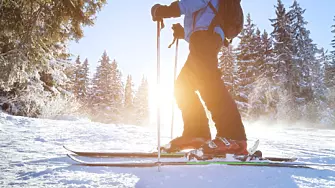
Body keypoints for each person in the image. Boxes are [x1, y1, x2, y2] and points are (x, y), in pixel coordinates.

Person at [151, 0, 248, 155]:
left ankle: (233, 137)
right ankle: (196, 133)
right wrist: (184, 34)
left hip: (206, 38)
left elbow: (195, 3)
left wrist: (167, 10)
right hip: (202, 38)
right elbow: (204, 16)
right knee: (183, 86)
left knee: (209, 83)